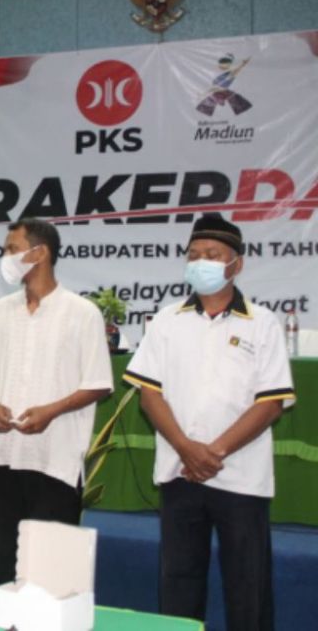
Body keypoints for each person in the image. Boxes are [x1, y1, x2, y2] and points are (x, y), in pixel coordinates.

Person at [124, 216, 293, 631]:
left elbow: (271, 403)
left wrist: (212, 453)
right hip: (180, 472)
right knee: (178, 583)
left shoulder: (262, 322)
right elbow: (149, 394)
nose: (201, 262)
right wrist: (187, 449)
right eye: (194, 255)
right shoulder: (167, 320)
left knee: (248, 586)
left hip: (240, 477)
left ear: (237, 264)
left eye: (213, 255)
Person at [0, 218, 113, 588]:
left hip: (56, 460)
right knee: (2, 563)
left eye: (12, 249)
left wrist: (52, 410)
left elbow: (99, 384)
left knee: (51, 575)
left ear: (40, 253)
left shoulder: (82, 312)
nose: (6, 257)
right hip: (4, 455)